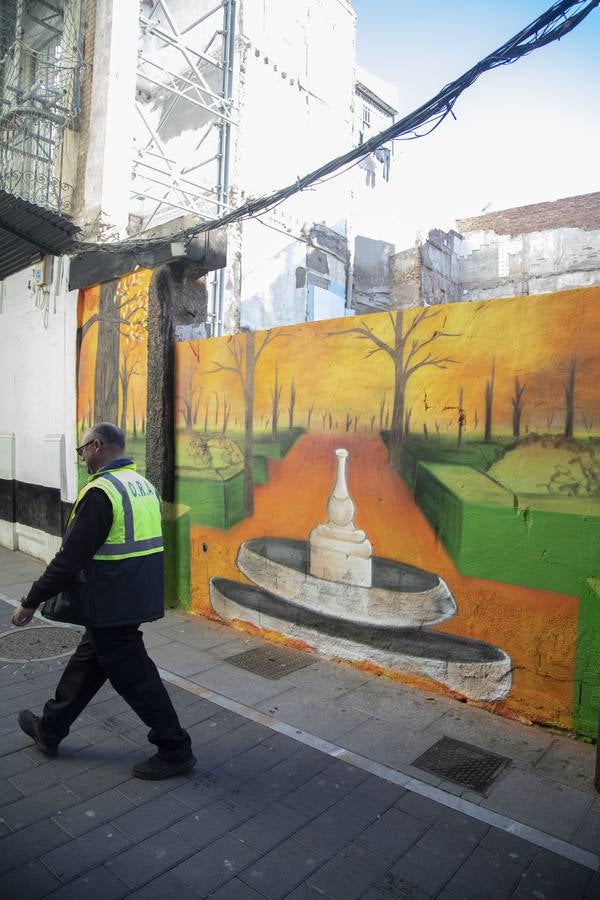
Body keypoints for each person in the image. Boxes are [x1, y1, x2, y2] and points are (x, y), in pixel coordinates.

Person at [11, 422, 196, 780]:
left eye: (82, 451)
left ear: (96, 446)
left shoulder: (101, 492)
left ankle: (175, 748)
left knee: (135, 678)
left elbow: (69, 560)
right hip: (131, 596)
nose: (82, 459)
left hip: (110, 602)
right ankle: (50, 729)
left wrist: (31, 600)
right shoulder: (141, 485)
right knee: (88, 664)